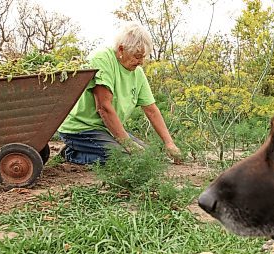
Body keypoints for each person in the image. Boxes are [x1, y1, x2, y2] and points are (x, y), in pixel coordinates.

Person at [57, 21, 182, 165]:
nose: (141, 62)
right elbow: (103, 107)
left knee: (148, 155)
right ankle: (71, 153)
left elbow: (151, 110)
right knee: (126, 158)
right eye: (137, 56)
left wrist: (169, 143)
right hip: (81, 128)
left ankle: (85, 149)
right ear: (121, 50)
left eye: (143, 57)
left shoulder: (137, 73)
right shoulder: (102, 59)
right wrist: (128, 145)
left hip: (106, 128)